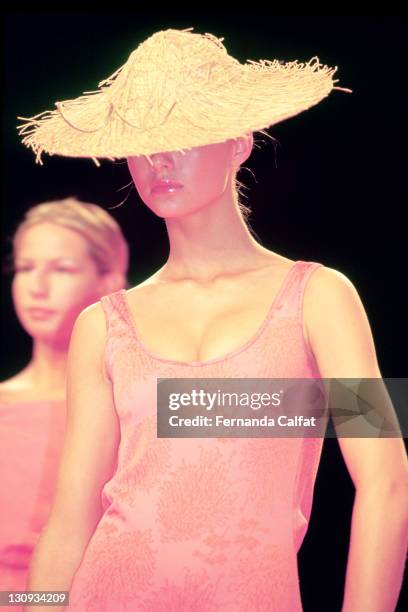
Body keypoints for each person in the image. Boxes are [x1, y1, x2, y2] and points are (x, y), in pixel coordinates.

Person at [18, 29, 408, 611]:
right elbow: (70, 522)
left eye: (186, 135)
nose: (160, 159)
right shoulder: (104, 326)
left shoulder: (318, 299)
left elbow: (386, 480)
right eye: (144, 140)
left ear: (240, 142)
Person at [0, 197, 129, 609]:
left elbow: (321, 406)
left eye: (62, 269)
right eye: (25, 268)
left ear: (109, 281)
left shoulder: (136, 407)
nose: (37, 286)